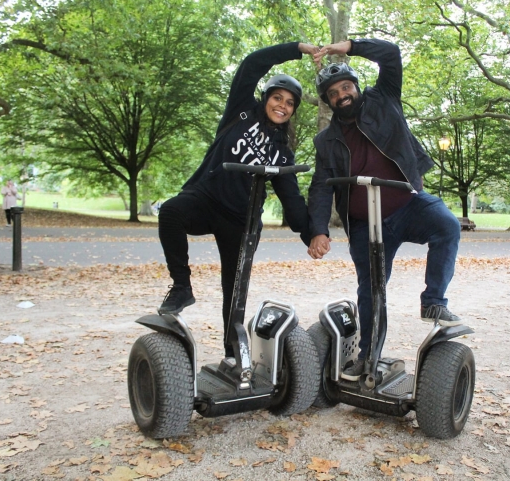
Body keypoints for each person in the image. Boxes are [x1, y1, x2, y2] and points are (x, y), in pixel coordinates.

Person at [307, 39, 463, 380]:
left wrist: (346, 46)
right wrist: (318, 230)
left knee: (447, 226)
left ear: (356, 87)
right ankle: (368, 358)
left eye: (346, 87)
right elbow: (320, 186)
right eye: (333, 93)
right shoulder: (325, 141)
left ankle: (434, 300)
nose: (341, 95)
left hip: (408, 205)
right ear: (328, 101)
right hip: (365, 224)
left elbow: (390, 55)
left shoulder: (384, 99)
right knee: (372, 289)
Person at [157, 42, 318, 357]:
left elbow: (293, 201)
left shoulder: (282, 152)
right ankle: (181, 287)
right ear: (266, 98)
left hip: (241, 222)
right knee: (171, 212)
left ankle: (233, 356)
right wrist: (297, 48)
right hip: (206, 199)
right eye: (277, 97)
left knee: (233, 293)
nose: (282, 105)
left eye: (289, 103)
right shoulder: (240, 111)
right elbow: (251, 65)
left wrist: (312, 235)